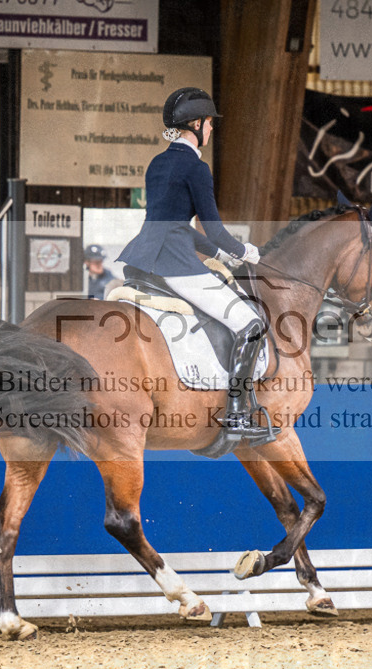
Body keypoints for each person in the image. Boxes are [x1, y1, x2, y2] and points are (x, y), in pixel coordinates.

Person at [116, 87, 269, 441]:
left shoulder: (157, 163)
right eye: (211, 124)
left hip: (143, 260)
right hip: (175, 265)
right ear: (197, 124)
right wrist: (243, 251)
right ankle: (236, 413)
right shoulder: (197, 168)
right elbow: (213, 229)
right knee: (253, 324)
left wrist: (216, 255)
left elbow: (172, 222)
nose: (213, 129)